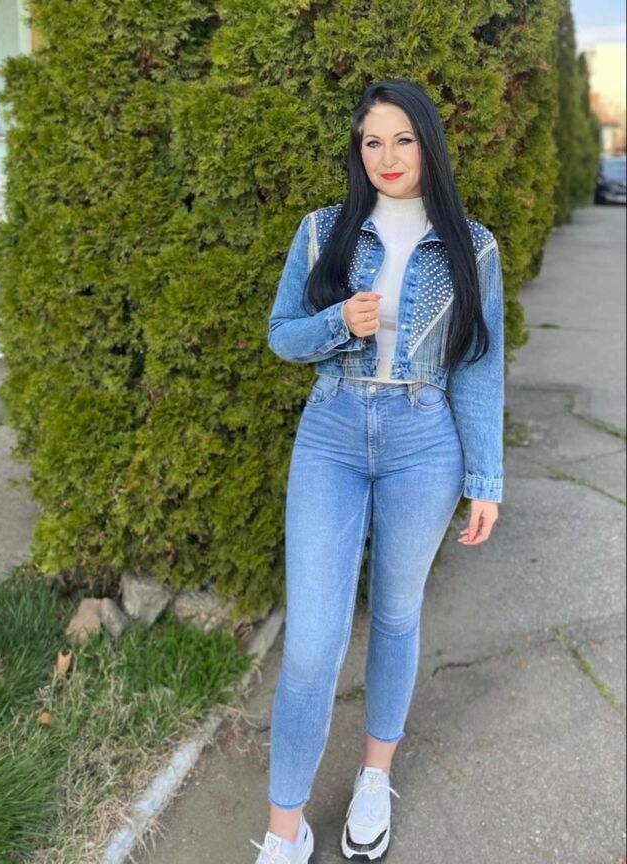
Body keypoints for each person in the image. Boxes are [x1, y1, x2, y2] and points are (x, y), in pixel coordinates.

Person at [250, 78, 505, 864]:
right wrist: (337, 322)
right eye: (372, 141)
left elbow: (478, 368)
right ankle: (284, 832)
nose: (387, 156)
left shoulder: (473, 247)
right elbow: (282, 335)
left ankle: (373, 776)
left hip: (424, 442)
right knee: (311, 644)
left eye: (402, 139)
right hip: (331, 433)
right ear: (357, 151)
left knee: (396, 615)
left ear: (427, 144)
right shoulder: (323, 230)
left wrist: (485, 479)